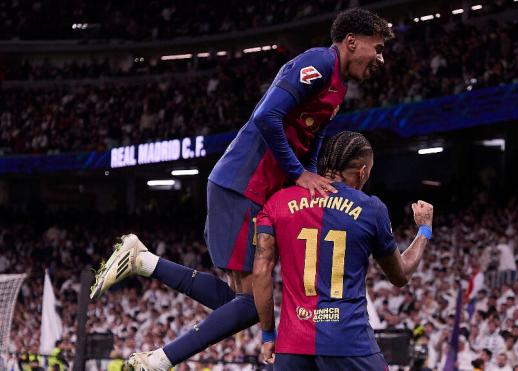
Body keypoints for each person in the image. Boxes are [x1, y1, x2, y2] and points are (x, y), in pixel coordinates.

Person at [88, 9, 393, 370]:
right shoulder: (317, 63)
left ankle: (143, 261)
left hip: (252, 190)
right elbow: (266, 116)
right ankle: (157, 360)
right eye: (376, 47)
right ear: (351, 41)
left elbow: (314, 134)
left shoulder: (339, 83)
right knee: (250, 305)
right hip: (241, 187)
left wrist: (310, 176)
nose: (380, 57)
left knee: (243, 302)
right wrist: (298, 174)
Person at [252, 131, 434, 370]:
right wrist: (424, 230)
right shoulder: (372, 209)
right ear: (363, 172)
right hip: (349, 343)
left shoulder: (277, 202)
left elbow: (261, 272)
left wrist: (267, 335)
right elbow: (400, 276)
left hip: (292, 344)